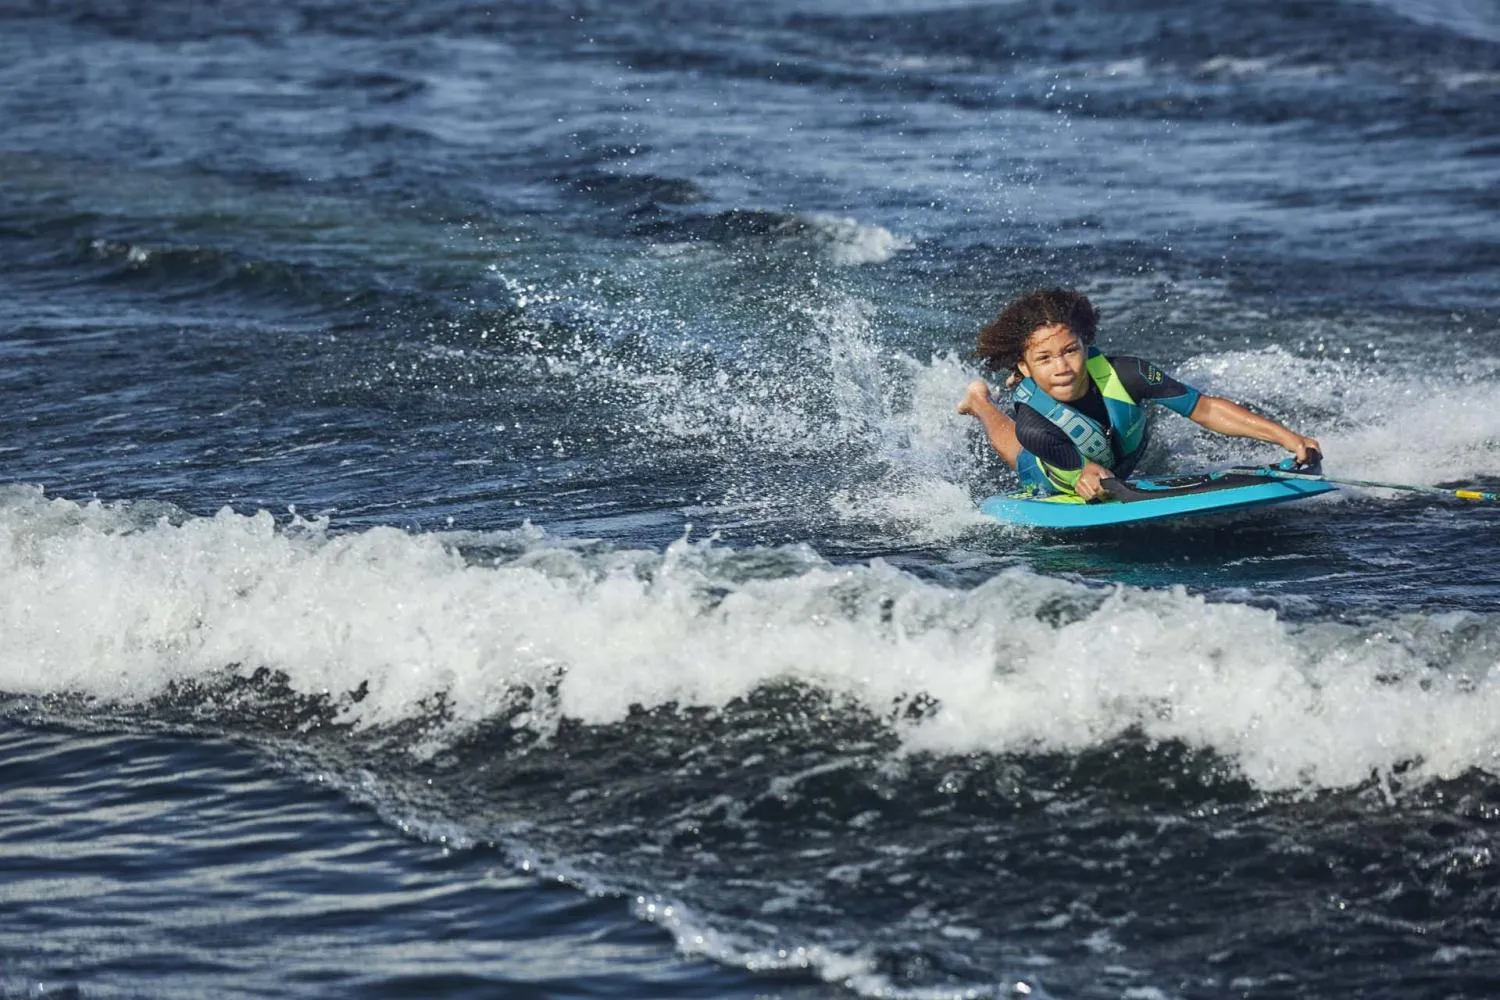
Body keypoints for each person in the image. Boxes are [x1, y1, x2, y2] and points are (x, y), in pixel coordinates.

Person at [957, 288, 1321, 501]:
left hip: (1123, 457)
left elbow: (1204, 408)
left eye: (1070, 351)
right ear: (1025, 365)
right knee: (1019, 453)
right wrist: (1084, 471)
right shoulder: (1033, 424)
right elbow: (1084, 470)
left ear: (1087, 345)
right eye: (1045, 359)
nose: (1063, 367)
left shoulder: (1129, 373)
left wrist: (1286, 437)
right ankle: (980, 402)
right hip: (1051, 470)